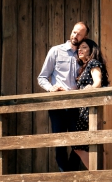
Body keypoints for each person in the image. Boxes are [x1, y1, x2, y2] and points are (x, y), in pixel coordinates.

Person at [37, 22, 88, 174]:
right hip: (57, 105)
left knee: (78, 145)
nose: (75, 36)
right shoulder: (56, 51)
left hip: (76, 107)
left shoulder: (83, 54)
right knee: (60, 145)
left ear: (84, 37)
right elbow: (42, 78)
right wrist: (51, 88)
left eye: (79, 34)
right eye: (74, 32)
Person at [71, 38, 110, 173]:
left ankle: (98, 175)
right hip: (84, 110)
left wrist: (89, 89)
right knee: (89, 145)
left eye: (84, 48)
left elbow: (97, 82)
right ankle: (101, 176)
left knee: (78, 146)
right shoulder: (84, 67)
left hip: (89, 110)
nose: (80, 50)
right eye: (79, 48)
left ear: (91, 51)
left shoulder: (93, 63)